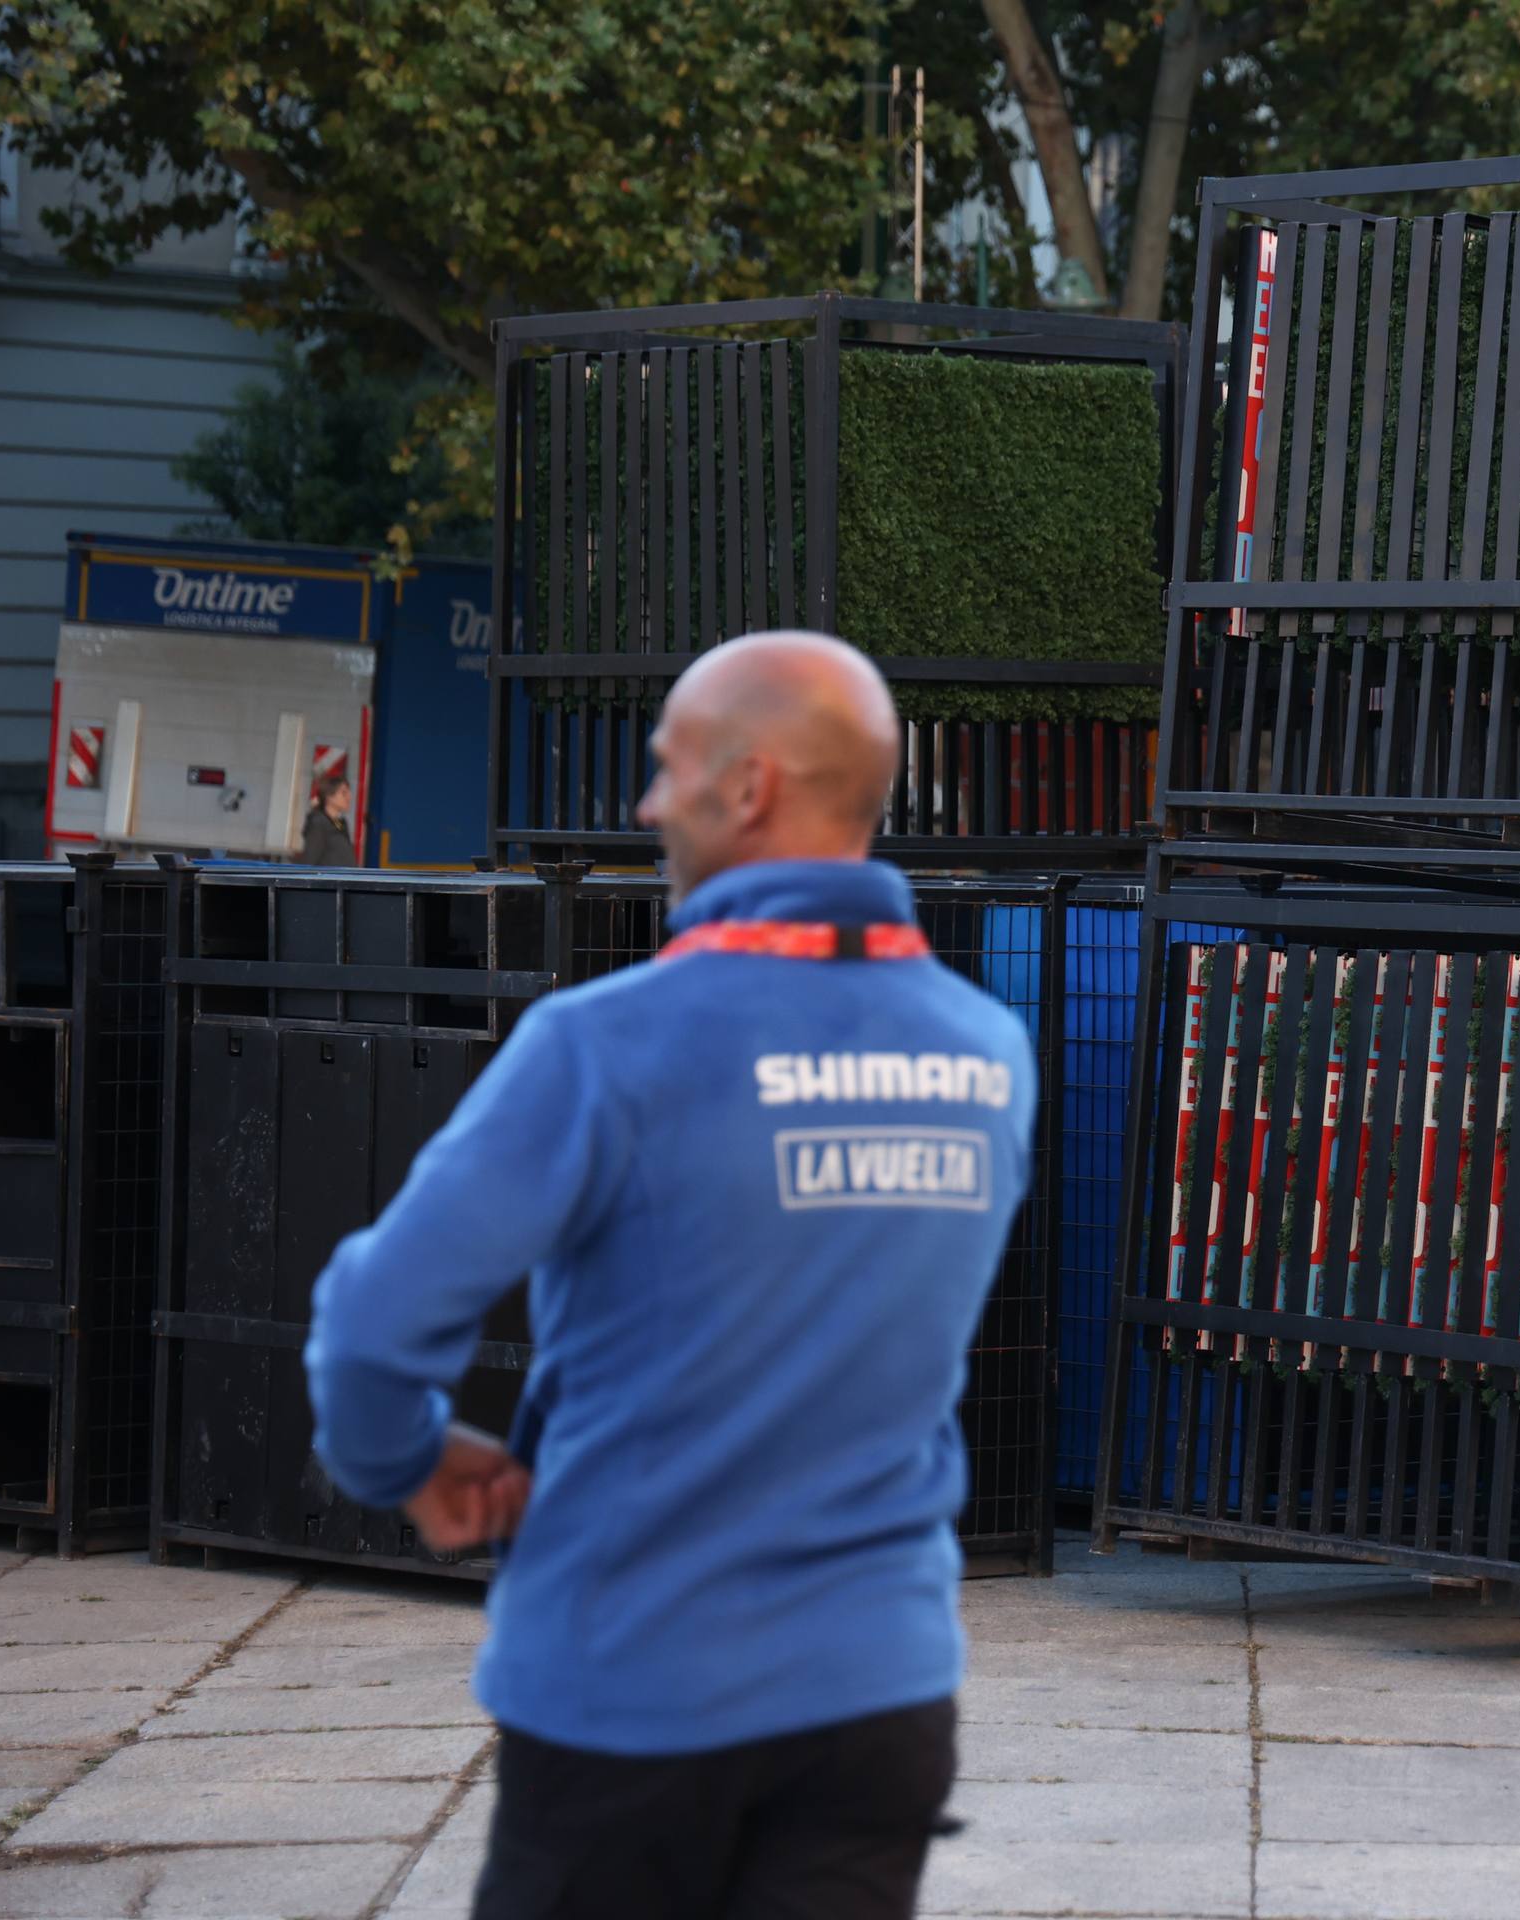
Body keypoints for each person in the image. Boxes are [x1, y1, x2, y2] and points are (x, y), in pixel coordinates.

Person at [304, 631, 1031, 1920]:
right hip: (878, 1696)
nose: (646, 806)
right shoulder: (988, 1056)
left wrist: (407, 1462)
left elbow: (373, 1326)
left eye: (665, 767)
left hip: (634, 1695)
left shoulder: (603, 1047)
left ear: (747, 787)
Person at [296, 766, 357, 866]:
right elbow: (309, 861)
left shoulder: (339, 823)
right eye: (344, 793)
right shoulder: (318, 823)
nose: (349, 797)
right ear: (329, 796)